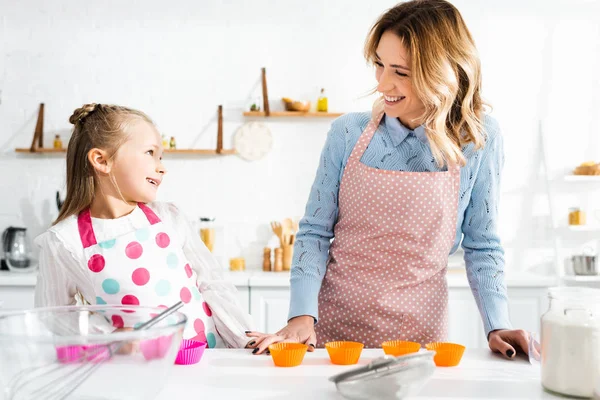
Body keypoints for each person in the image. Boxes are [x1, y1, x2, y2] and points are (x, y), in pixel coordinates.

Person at [247, 0, 530, 359]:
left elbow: (482, 245)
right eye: (379, 65)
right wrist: (302, 315)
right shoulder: (347, 133)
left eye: (401, 71)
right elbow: (314, 232)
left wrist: (497, 324)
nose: (383, 84)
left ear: (443, 72)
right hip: (333, 333)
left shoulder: (478, 137)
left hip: (422, 338)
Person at [34, 103, 253, 348]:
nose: (161, 167)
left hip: (207, 361)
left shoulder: (169, 217)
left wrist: (245, 340)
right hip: (140, 373)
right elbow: (53, 317)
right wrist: (111, 338)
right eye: (150, 153)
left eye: (161, 156)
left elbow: (212, 285)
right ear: (101, 160)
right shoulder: (65, 241)